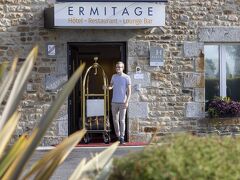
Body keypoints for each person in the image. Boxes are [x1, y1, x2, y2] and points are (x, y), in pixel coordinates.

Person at [106, 61, 131, 144]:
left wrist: (127, 102)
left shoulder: (127, 77)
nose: (118, 68)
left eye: (119, 67)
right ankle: (118, 136)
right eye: (117, 67)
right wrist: (106, 88)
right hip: (114, 102)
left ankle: (122, 137)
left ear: (123, 68)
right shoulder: (114, 76)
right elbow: (111, 86)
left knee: (122, 120)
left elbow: (129, 91)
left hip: (123, 102)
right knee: (115, 120)